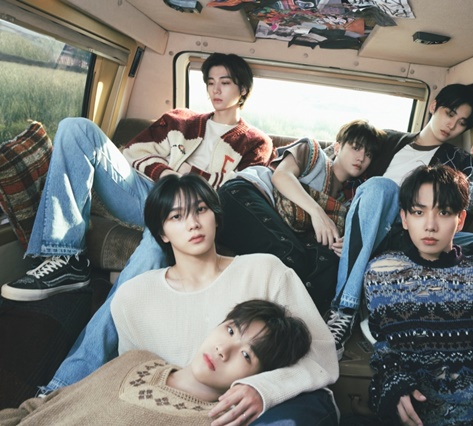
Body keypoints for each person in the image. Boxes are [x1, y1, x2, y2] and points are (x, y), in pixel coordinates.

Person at [1, 52, 276, 394]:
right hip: (149, 194)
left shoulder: (256, 143)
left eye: (225, 82)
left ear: (243, 89)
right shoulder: (180, 120)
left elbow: (239, 196)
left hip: (191, 210)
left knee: (147, 257)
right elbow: (132, 153)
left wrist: (187, 193)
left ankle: (62, 385)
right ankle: (65, 258)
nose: (215, 90)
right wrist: (169, 175)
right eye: (210, 82)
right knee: (75, 128)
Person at [110, 173, 338, 425]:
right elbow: (130, 379)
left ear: (216, 217)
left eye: (201, 210)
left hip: (271, 410)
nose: (193, 224)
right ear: (162, 233)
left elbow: (322, 355)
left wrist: (264, 388)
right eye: (176, 216)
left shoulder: (265, 270)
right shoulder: (133, 297)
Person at [325, 83, 473, 358]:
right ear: (433, 106)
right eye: (449, 113)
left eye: (461, 122)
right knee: (382, 186)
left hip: (422, 236)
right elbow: (339, 162)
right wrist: (351, 227)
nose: (451, 125)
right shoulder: (388, 141)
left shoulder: (459, 161)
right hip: (379, 229)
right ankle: (344, 310)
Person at [364, 164, 473, 425]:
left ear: (460, 220)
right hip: (420, 417)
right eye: (418, 212)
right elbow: (384, 347)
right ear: (404, 219)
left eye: (444, 212)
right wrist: (394, 380)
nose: (430, 225)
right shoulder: (380, 274)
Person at [0, 299, 312, 425]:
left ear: (259, 376)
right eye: (230, 330)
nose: (224, 350)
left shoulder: (211, 422)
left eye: (246, 355)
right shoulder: (137, 358)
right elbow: (43, 406)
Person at [216, 119, 384, 312]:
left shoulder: (350, 200)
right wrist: (317, 213)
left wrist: (347, 241)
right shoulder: (312, 153)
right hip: (246, 194)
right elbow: (281, 176)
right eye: (356, 148)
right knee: (289, 255)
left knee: (325, 266)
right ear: (338, 147)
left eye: (368, 154)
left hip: (282, 230)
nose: (361, 158)